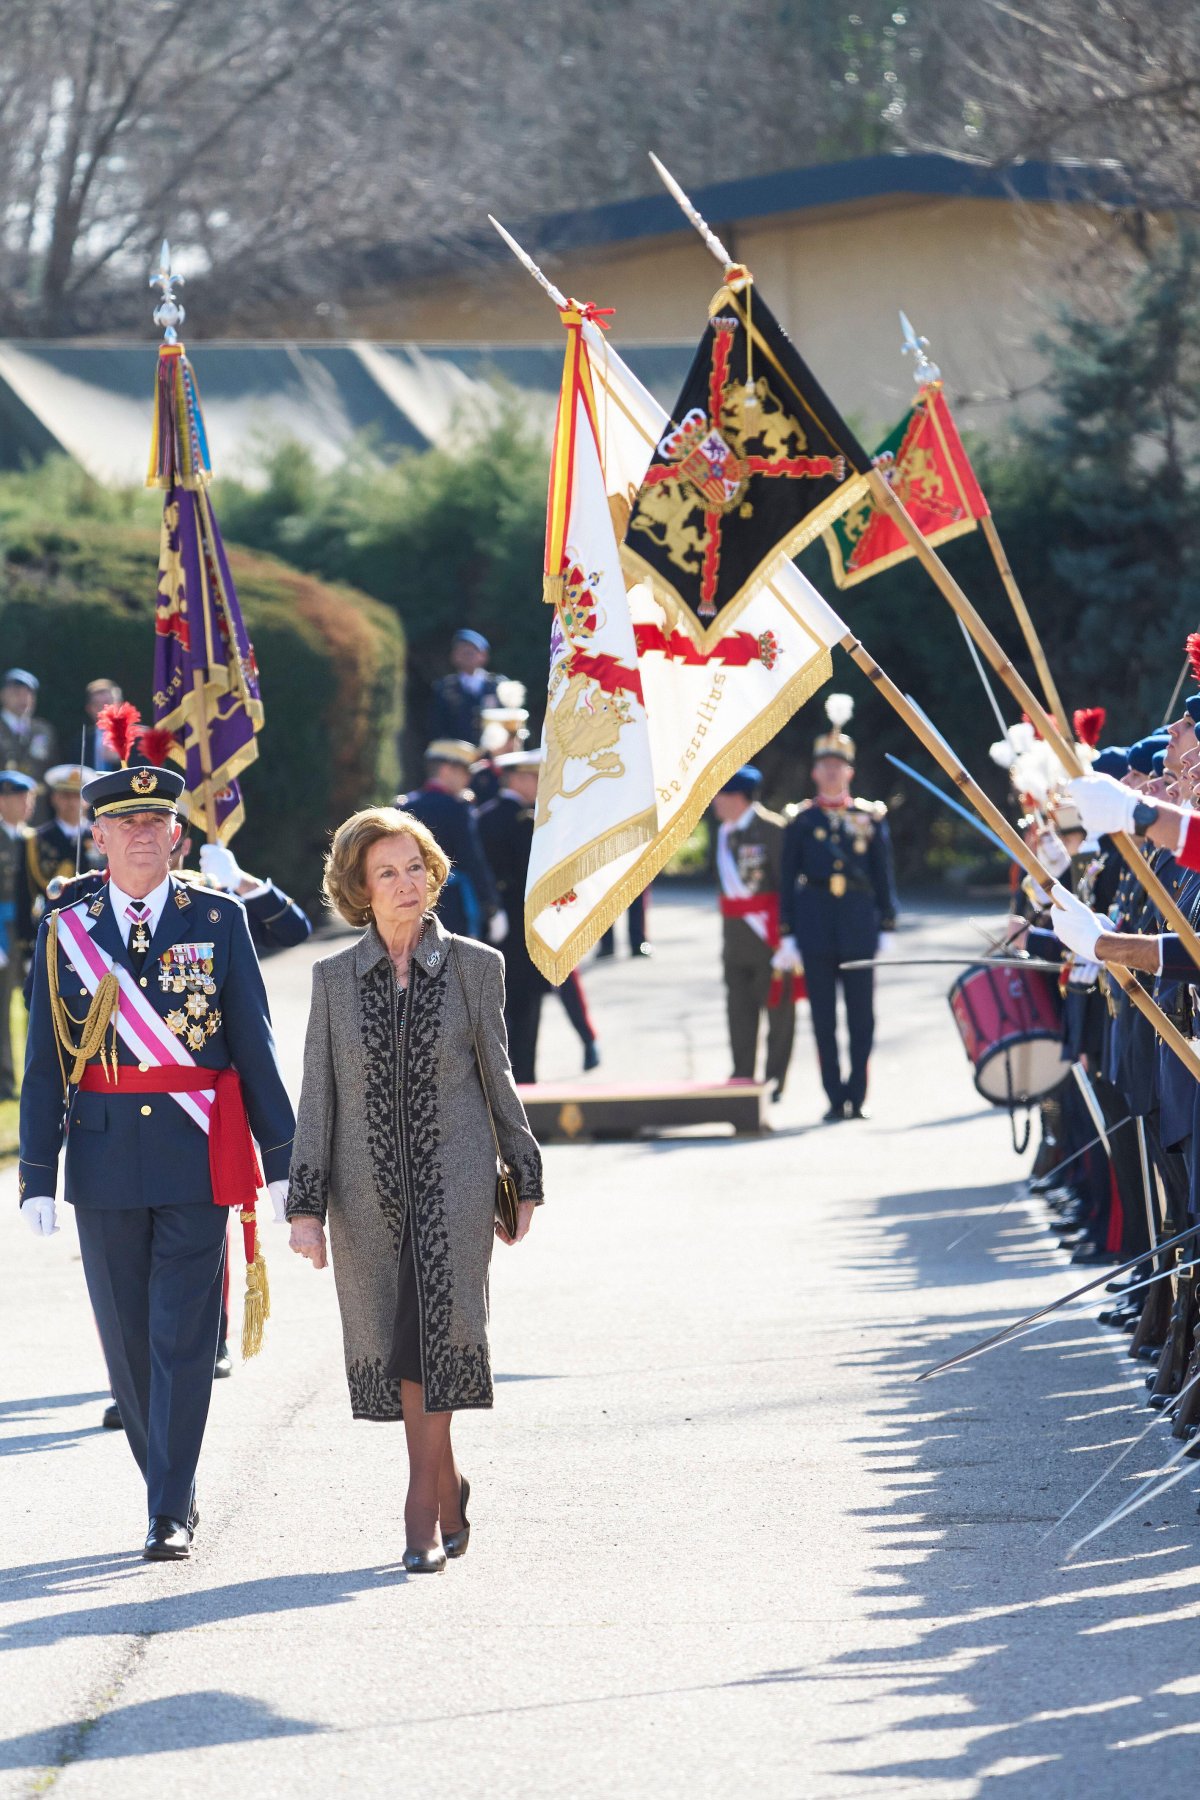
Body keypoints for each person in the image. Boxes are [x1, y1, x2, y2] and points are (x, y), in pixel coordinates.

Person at [18, 753, 295, 1560]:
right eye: (126, 824)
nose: (143, 836)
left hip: (194, 1151)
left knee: (181, 1335)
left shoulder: (217, 920)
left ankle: (169, 1504)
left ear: (178, 836)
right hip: (103, 1158)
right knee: (129, 1343)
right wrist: (38, 1171)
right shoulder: (65, 927)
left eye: (157, 824)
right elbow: (44, 1064)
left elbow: (254, 1046)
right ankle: (165, 1478)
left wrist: (281, 1164)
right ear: (98, 835)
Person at [286, 805, 543, 1572]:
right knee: (401, 1349)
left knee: (439, 1334)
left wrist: (522, 1175)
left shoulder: (476, 966)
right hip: (364, 1199)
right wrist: (304, 1208)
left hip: (457, 1187)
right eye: (386, 872)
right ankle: (450, 1483)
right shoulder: (333, 980)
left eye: (416, 868)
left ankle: (418, 1509)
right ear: (360, 889)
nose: (406, 884)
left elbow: (499, 1080)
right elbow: (317, 1096)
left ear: (435, 875)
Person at [778, 694, 898, 1122]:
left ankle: (858, 1095)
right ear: (814, 772)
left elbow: (883, 872)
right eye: (824, 766)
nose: (831, 773)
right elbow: (786, 878)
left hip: (858, 926)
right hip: (814, 928)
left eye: (838, 766)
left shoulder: (869, 817)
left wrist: (887, 922)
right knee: (824, 1019)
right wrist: (787, 931)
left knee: (862, 1018)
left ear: (849, 771)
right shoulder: (802, 821)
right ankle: (833, 1097)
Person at [712, 765, 795, 1102]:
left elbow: (788, 888)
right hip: (735, 943)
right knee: (738, 1013)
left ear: (738, 797)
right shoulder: (724, 832)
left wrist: (790, 938)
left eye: (721, 795)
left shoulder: (773, 831)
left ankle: (775, 1079)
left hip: (770, 941)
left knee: (779, 1013)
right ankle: (742, 1076)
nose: (715, 803)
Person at [477, 748, 549, 1084]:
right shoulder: (525, 821)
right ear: (517, 778)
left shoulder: (483, 814)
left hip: (493, 930)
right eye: (534, 777)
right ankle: (526, 1091)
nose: (538, 784)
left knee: (497, 1020)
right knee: (525, 1020)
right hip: (524, 931)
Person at [400, 740, 502, 943]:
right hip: (452, 905)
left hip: (408, 900)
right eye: (464, 772)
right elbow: (472, 860)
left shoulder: (404, 806)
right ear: (446, 771)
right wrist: (492, 905)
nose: (468, 779)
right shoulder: (457, 809)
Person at [0, 770, 37, 1100]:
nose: (25, 804)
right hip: (1, 932)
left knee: (34, 1006)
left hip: (27, 933)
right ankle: (4, 1081)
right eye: (17, 798)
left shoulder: (32, 839)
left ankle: (34, 1075)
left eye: (28, 798)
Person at [26, 764, 104, 909]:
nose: (71, 802)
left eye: (76, 796)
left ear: (87, 801)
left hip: (95, 911)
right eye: (65, 795)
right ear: (54, 798)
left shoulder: (101, 836)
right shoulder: (38, 838)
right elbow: (30, 889)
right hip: (53, 915)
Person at [428, 629, 507, 746]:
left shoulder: (498, 686)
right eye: (463, 651)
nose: (467, 655)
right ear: (454, 656)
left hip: (493, 757)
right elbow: (436, 727)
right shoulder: (444, 688)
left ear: (484, 656)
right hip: (457, 756)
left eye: (472, 651)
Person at [0, 670, 56, 814]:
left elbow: (50, 768)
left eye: (28, 693)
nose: (23, 698)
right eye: (16, 692)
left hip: (36, 810)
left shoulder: (43, 730)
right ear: (2, 694)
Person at [81, 680, 123, 771]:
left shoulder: (139, 738)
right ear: (89, 709)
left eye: (108, 703)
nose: (104, 709)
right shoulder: (81, 741)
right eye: (97, 704)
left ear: (120, 705)